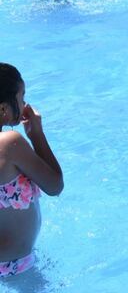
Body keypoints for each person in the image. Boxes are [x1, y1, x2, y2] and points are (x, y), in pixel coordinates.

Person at [0, 63, 64, 278]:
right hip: (14, 266)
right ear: (2, 109)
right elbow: (55, 186)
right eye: (21, 96)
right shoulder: (9, 144)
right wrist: (36, 134)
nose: (24, 103)